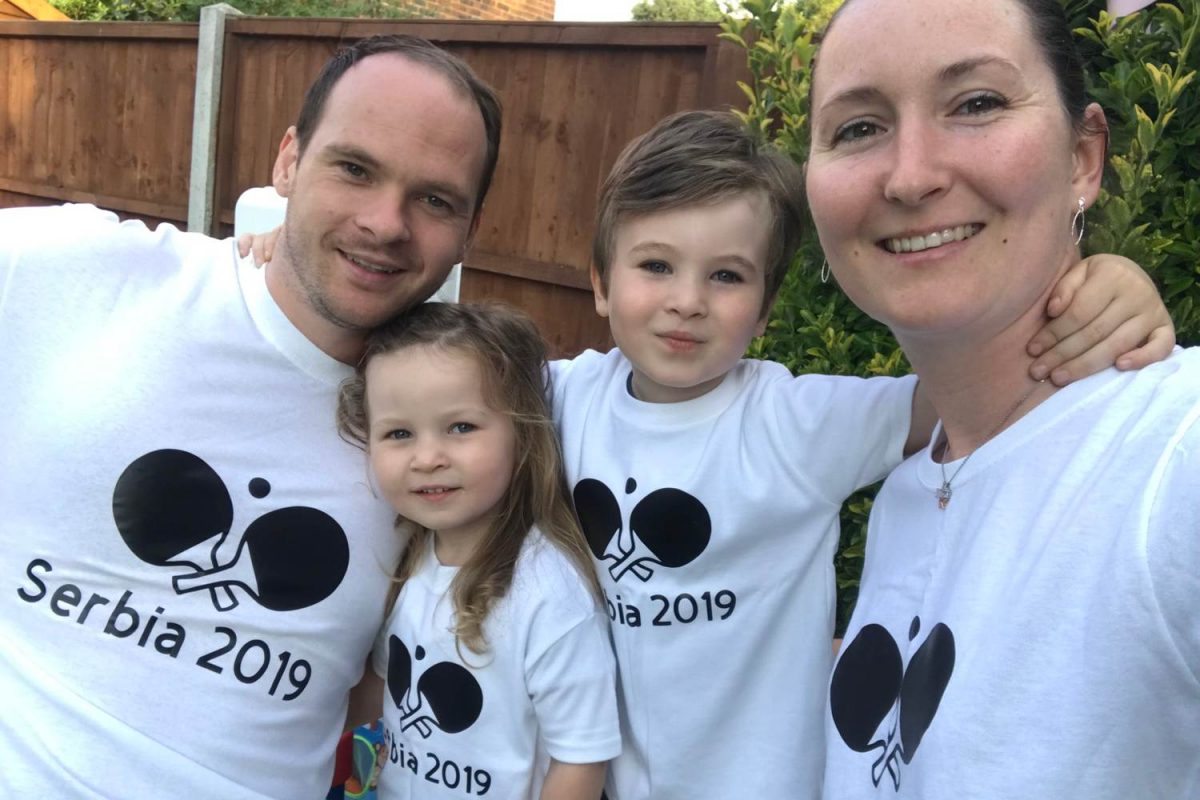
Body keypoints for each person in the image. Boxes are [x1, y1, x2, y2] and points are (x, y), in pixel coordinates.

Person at [546, 109, 1175, 800]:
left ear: (763, 312)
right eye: (656, 265)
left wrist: (1100, 297)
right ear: (601, 282)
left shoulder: (794, 422)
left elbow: (971, 385)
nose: (687, 301)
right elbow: (442, 374)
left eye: (726, 276)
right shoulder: (566, 395)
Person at [0, 34, 501, 798]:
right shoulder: (80, 274)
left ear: (470, 230)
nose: (386, 222)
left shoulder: (467, 430)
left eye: (435, 199)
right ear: (289, 162)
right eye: (355, 168)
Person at [805, 1, 1200, 797]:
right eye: (857, 128)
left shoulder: (1174, 456)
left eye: (977, 103)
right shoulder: (912, 491)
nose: (911, 175)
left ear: (1085, 158)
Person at [336, 301, 620, 800]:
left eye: (461, 427)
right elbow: (375, 694)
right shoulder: (407, 557)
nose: (427, 458)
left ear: (523, 433)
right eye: (399, 433)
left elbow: (581, 761)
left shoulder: (550, 596)